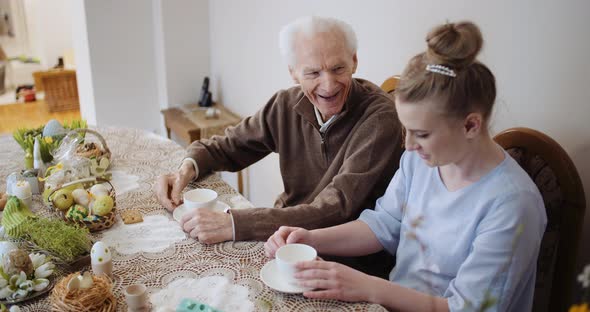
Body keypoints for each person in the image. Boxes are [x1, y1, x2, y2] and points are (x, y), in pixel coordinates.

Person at [265, 21, 546, 312]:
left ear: (470, 125)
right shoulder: (421, 161)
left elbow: (467, 308)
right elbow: (383, 225)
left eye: (422, 134)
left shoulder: (512, 205)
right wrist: (311, 238)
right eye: (406, 130)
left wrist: (366, 286)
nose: (408, 145)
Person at [154, 16, 403, 255]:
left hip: (343, 254)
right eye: (313, 73)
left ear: (354, 61)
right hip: (282, 240)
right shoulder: (285, 103)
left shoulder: (380, 118)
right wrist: (186, 168)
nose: (329, 85)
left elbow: (336, 207)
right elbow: (230, 146)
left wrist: (235, 224)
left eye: (338, 68)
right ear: (293, 73)